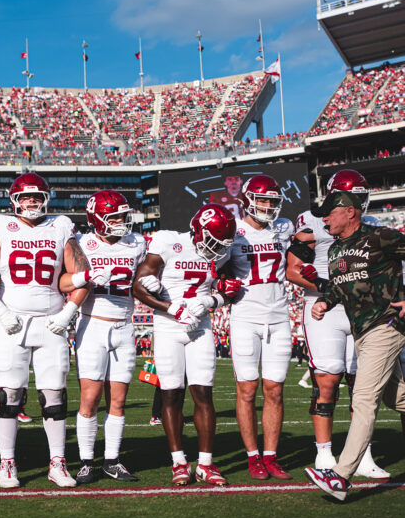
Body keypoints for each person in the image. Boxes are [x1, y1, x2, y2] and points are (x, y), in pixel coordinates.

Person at [0, 173, 101, 489]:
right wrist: (0, 310)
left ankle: (57, 462)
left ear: (46, 198)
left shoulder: (61, 226)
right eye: (26, 197)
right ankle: (7, 462)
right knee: (10, 393)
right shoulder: (0, 226)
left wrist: (69, 311)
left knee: (54, 393)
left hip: (51, 319)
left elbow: (80, 275)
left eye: (37, 196)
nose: (32, 202)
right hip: (12, 319)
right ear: (14, 200)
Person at [286, 169, 389, 478]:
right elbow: (291, 269)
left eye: (359, 198)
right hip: (323, 308)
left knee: (363, 386)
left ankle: (363, 455)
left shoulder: (373, 226)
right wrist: (329, 286)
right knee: (327, 381)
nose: (355, 203)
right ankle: (324, 452)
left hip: (362, 310)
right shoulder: (313, 221)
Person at [304, 190, 405, 501]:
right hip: (361, 330)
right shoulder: (335, 250)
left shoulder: (380, 237)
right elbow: (337, 286)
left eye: (329, 212)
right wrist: (323, 302)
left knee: (362, 398)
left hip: (387, 326)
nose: (324, 218)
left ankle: (341, 477)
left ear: (349, 212)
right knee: (396, 397)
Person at [133, 203, 239, 486]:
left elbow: (231, 290)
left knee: (203, 393)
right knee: (171, 394)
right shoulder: (169, 243)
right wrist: (173, 309)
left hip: (200, 326)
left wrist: (210, 301)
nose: (217, 250)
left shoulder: (223, 252)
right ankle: (179, 462)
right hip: (168, 326)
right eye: (213, 241)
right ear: (197, 231)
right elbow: (138, 286)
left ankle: (205, 463)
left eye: (221, 244)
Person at [70, 190, 145, 484]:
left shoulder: (137, 243)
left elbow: (144, 277)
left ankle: (112, 460)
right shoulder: (82, 244)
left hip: (124, 325)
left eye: (122, 216)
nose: (120, 222)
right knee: (89, 398)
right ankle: (87, 461)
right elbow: (68, 280)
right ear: (96, 218)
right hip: (93, 323)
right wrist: (86, 278)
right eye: (113, 216)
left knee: (119, 400)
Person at [222, 175, 293, 481]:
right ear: (248, 199)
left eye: (272, 201)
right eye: (262, 200)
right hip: (246, 315)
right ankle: (253, 456)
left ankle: (271, 455)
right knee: (248, 389)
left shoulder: (285, 228)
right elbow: (216, 269)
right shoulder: (233, 231)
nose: (267, 206)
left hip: (279, 314)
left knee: (275, 390)